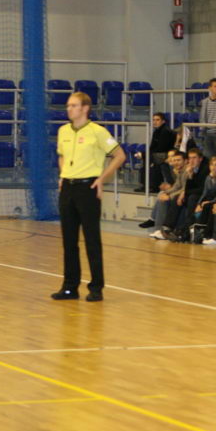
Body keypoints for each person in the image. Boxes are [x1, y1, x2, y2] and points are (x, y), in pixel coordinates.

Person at [52, 92, 126, 302]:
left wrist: (102, 178)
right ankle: (70, 287)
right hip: (68, 188)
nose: (69, 109)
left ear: (85, 108)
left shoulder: (98, 131)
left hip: (88, 188)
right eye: (68, 105)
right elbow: (62, 155)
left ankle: (96, 287)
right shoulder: (63, 130)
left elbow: (119, 155)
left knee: (92, 239)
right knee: (69, 241)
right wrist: (63, 174)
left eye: (74, 105)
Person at [137, 113, 176, 192]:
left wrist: (144, 154)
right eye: (153, 120)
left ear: (163, 121)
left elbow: (161, 148)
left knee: (150, 158)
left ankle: (153, 186)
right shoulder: (157, 131)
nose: (155, 122)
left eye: (157, 120)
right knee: (147, 157)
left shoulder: (165, 131)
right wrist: (144, 154)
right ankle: (147, 185)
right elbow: (152, 147)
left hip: (166, 154)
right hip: (159, 154)